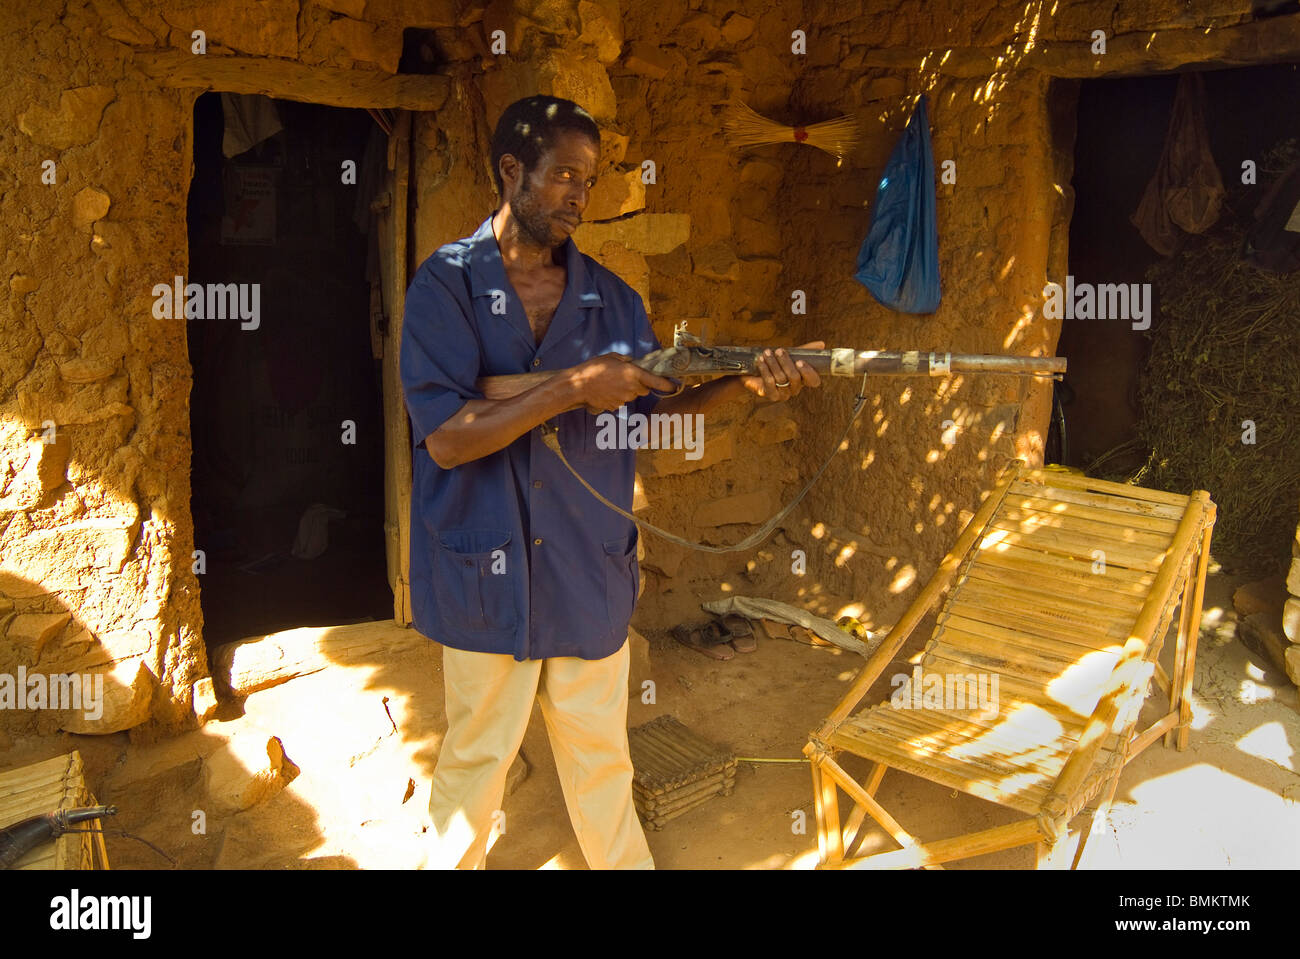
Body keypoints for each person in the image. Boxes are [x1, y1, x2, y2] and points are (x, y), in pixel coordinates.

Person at [400, 95, 822, 869]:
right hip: (484, 570)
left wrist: (746, 386)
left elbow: (649, 422)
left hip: (583, 568)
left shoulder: (613, 300)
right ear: (510, 171)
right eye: (563, 175)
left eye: (589, 182)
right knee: (473, 766)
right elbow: (452, 441)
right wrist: (571, 387)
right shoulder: (445, 287)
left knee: (602, 764)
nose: (578, 198)